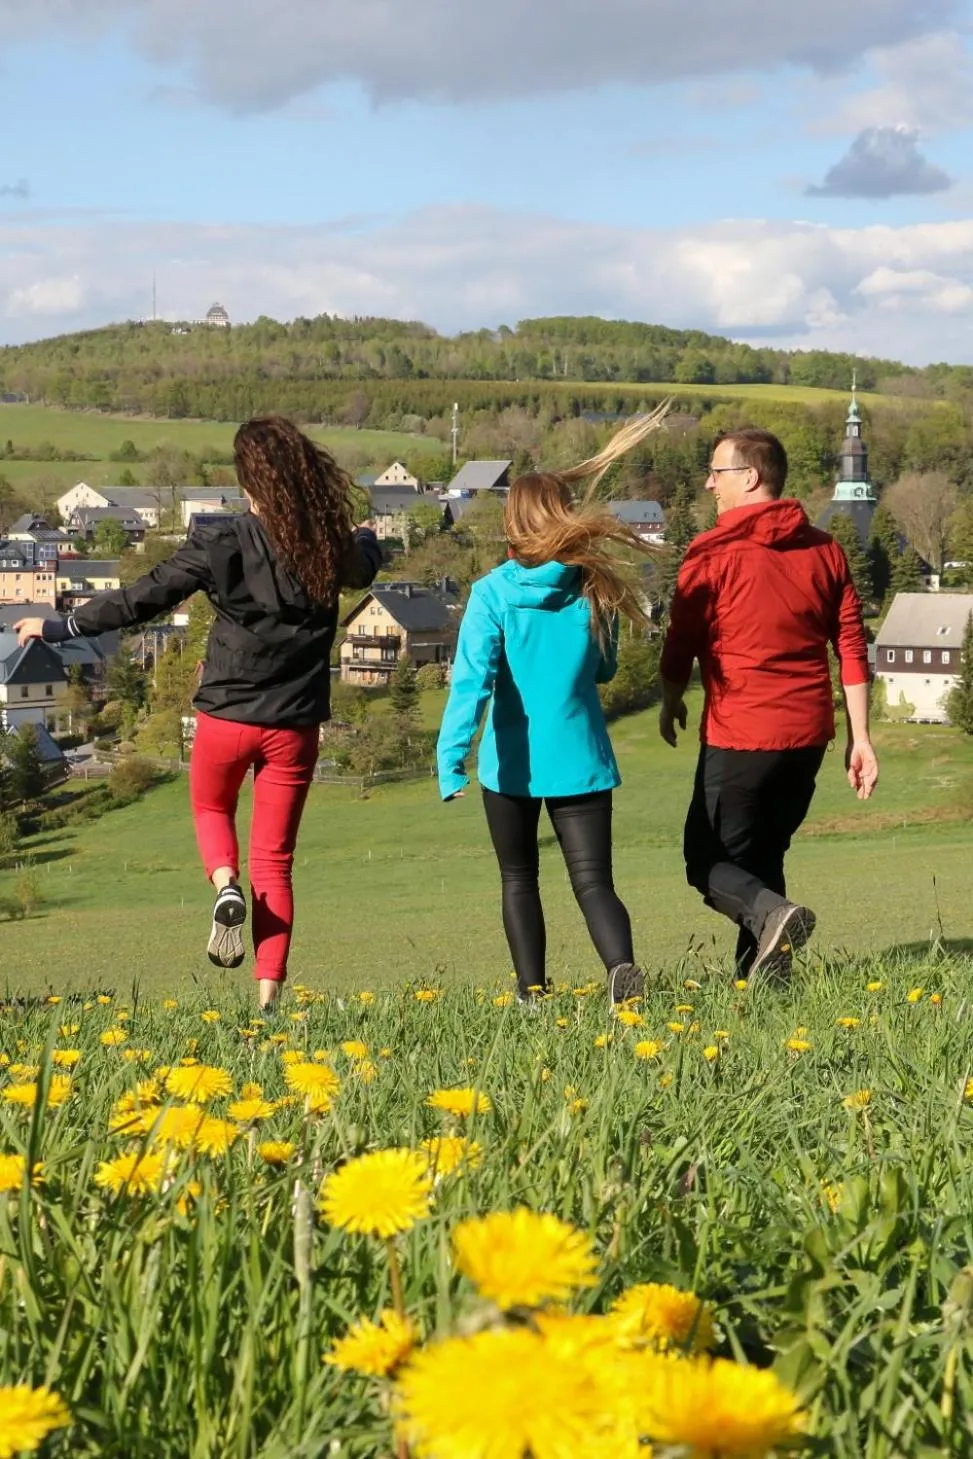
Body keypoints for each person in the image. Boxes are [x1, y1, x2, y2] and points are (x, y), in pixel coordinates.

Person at [17, 416, 381, 1008]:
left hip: (225, 719)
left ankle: (224, 883)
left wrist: (63, 626)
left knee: (212, 808)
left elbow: (141, 598)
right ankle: (268, 997)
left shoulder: (220, 540)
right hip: (294, 726)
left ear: (248, 482)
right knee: (277, 860)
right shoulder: (327, 543)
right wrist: (365, 536)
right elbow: (363, 564)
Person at [436, 406, 669, 1005]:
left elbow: (471, 684)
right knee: (593, 882)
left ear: (514, 522)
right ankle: (622, 972)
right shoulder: (596, 587)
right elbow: (606, 669)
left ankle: (532, 993)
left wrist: (450, 760)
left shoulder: (491, 593)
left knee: (520, 879)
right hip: (582, 760)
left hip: (509, 766)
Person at [658, 427, 878, 979]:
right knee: (763, 857)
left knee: (706, 861)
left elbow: (682, 636)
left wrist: (669, 695)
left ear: (750, 477)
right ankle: (762, 983)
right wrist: (861, 737)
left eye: (717, 472)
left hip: (741, 735)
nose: (709, 483)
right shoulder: (825, 548)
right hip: (808, 737)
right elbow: (850, 642)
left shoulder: (713, 550)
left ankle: (773, 914)